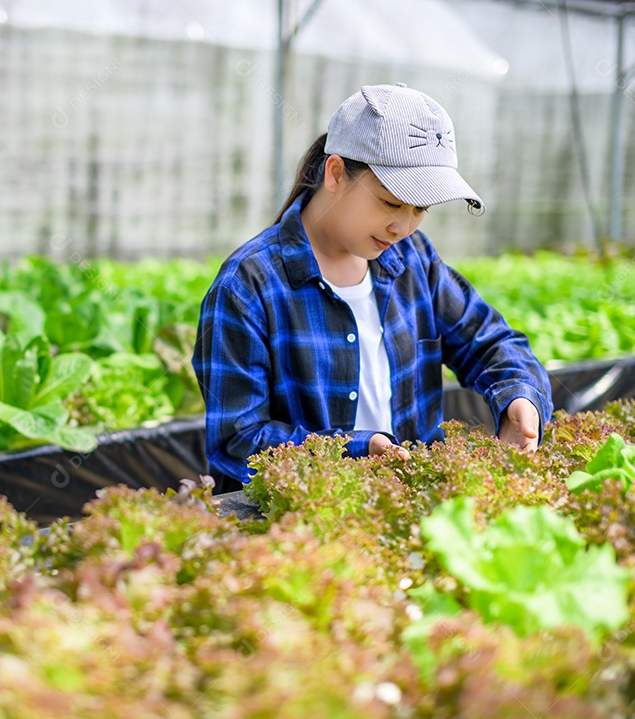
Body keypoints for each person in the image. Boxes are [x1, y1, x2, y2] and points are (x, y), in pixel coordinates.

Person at [192, 82, 553, 486]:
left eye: (420, 209)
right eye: (391, 202)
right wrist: (357, 449)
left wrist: (519, 398)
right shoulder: (249, 285)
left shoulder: (413, 260)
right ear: (335, 173)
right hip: (299, 530)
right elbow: (238, 441)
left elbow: (490, 341)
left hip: (404, 517)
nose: (403, 226)